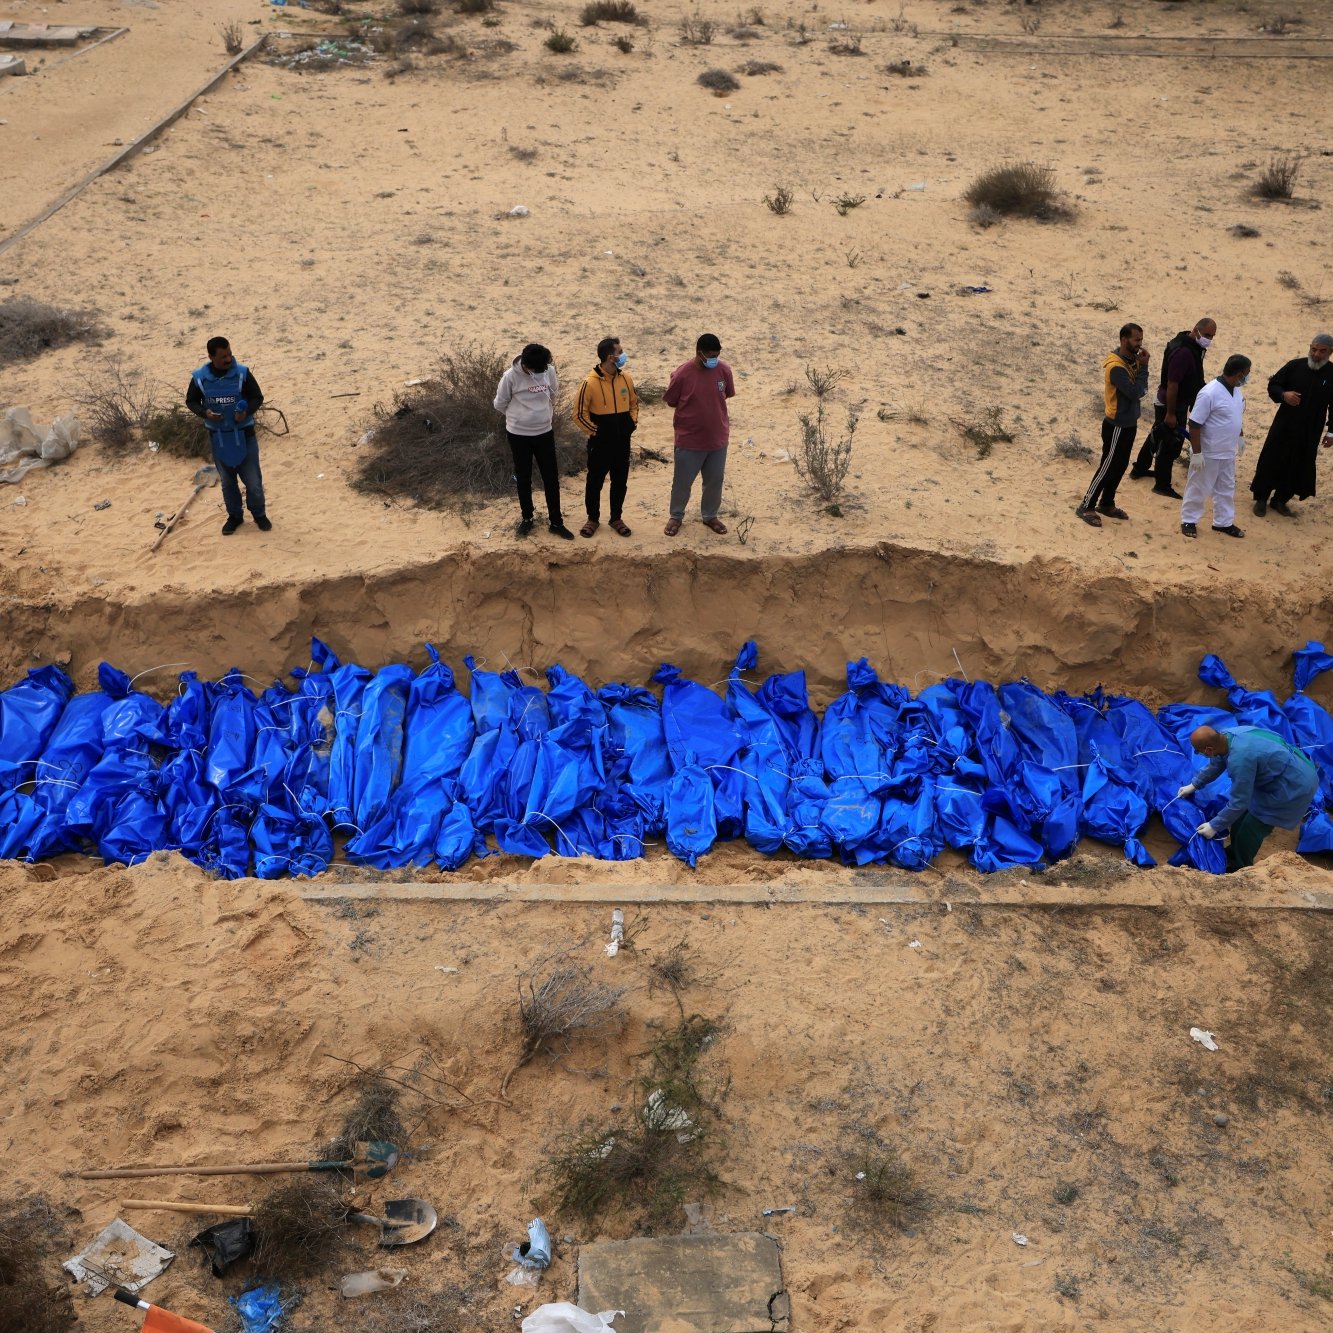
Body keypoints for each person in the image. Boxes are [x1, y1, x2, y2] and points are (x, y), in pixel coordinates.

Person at [1180, 724, 1319, 871]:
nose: (1197, 753)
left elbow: (1239, 802)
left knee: (1251, 827)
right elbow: (1216, 763)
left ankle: (1241, 867)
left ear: (1209, 749)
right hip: (1284, 770)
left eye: (1198, 751)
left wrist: (1214, 825)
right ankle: (1234, 853)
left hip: (1294, 785)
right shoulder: (1227, 736)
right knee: (1239, 820)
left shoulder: (1240, 759)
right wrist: (1194, 784)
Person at [186, 336, 271, 536]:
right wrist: (205, 413)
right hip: (219, 438)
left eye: (230, 354)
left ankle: (259, 514)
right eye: (223, 356)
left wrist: (246, 412)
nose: (228, 359)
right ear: (211, 357)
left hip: (245, 436)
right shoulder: (199, 378)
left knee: (253, 482)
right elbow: (191, 401)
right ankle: (235, 516)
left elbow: (257, 397)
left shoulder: (242, 373)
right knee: (227, 482)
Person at [1129, 316, 1217, 499]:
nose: (1209, 339)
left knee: (1156, 435)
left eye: (1212, 336)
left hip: (1175, 401)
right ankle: (1162, 485)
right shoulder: (1183, 352)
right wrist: (1170, 413)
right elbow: (1172, 384)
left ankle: (1139, 469)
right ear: (1196, 330)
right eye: (1207, 335)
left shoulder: (1191, 345)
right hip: (1172, 404)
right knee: (1170, 443)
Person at [1249, 332, 1333, 518]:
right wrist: (1284, 395)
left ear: (1330, 352)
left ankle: (1280, 500)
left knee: (1298, 463)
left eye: (1322, 351)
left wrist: (1331, 433)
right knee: (1272, 458)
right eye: (1314, 349)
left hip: (1310, 430)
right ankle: (1261, 498)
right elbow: (1274, 385)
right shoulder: (1295, 366)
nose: (1316, 354)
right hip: (1284, 425)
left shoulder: (1332, 374)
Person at [493, 343, 573, 539]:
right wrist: (519, 418)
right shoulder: (510, 377)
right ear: (526, 366)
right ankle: (527, 518)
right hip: (518, 435)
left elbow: (553, 393)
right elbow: (500, 403)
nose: (540, 372)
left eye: (543, 369)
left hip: (544, 432)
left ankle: (556, 522)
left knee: (551, 478)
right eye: (536, 370)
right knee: (523, 477)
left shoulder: (549, 371)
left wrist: (541, 415)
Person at [1076, 323, 1149, 527]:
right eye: (1136, 340)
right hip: (1116, 425)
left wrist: (1141, 368)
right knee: (1108, 465)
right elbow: (1136, 392)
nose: (1140, 344)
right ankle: (1086, 505)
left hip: (1129, 423)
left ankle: (1106, 503)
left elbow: (1139, 389)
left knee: (1121, 464)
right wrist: (1144, 368)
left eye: (1141, 340)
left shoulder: (1131, 361)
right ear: (1124, 340)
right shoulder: (1116, 367)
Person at [663, 332, 735, 537]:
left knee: (714, 481)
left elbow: (726, 394)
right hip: (689, 440)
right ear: (699, 353)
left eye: (717, 356)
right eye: (710, 356)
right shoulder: (682, 374)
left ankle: (710, 516)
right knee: (682, 482)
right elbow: (671, 401)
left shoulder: (724, 370)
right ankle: (676, 516)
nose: (714, 360)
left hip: (717, 439)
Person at [573, 335, 639, 538]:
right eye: (620, 352)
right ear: (610, 357)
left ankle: (616, 518)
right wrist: (596, 432)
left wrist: (631, 424)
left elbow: (634, 404)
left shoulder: (626, 378)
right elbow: (578, 414)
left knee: (620, 481)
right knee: (595, 482)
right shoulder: (589, 383)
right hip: (600, 444)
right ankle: (592, 519)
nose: (623, 355)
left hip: (622, 442)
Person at [1180, 354, 1250, 539]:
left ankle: (1223, 522)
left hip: (1227, 452)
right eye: (1247, 373)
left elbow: (1236, 416)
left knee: (1226, 488)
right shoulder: (1209, 393)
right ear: (1239, 374)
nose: (1247, 377)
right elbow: (1194, 424)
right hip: (1208, 452)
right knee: (1198, 487)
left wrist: (1240, 436)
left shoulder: (1236, 391)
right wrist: (1197, 453)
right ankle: (1189, 520)